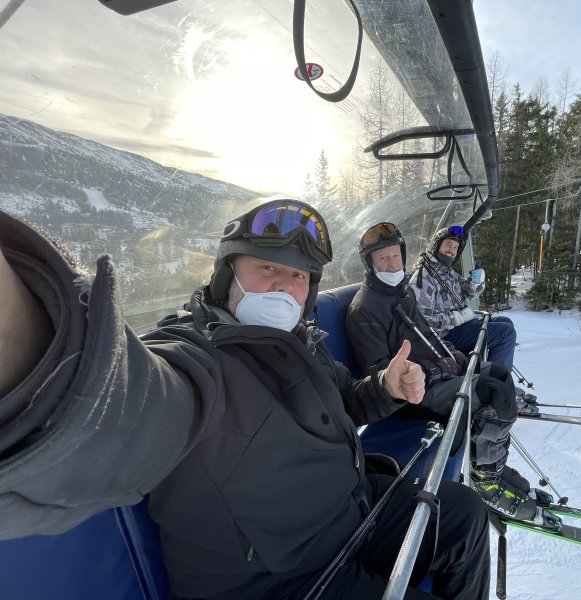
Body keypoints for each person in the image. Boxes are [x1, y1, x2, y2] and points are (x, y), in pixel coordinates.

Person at [0, 200, 492, 600]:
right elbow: (120, 405)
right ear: (226, 277)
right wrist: (27, 339)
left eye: (299, 277)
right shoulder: (195, 359)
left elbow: (346, 398)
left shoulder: (303, 343)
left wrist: (385, 387)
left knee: (465, 516)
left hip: (348, 513)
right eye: (267, 268)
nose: (284, 286)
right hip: (278, 580)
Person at [346, 222, 560, 529]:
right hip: (412, 395)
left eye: (395, 255)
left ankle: (489, 467)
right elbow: (382, 376)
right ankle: (486, 484)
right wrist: (435, 370)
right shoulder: (365, 309)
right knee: (492, 396)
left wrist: (454, 356)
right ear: (370, 263)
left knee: (499, 375)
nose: (393, 264)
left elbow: (429, 334)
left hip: (436, 374)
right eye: (383, 258)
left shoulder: (401, 293)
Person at [410, 226, 518, 373]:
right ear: (437, 245)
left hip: (457, 327)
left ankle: (488, 369)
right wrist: (457, 318)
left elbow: (466, 292)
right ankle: (496, 380)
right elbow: (424, 322)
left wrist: (475, 283)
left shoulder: (446, 271)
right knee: (505, 332)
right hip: (443, 336)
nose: (451, 250)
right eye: (448, 244)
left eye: (455, 247)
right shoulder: (424, 277)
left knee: (506, 321)